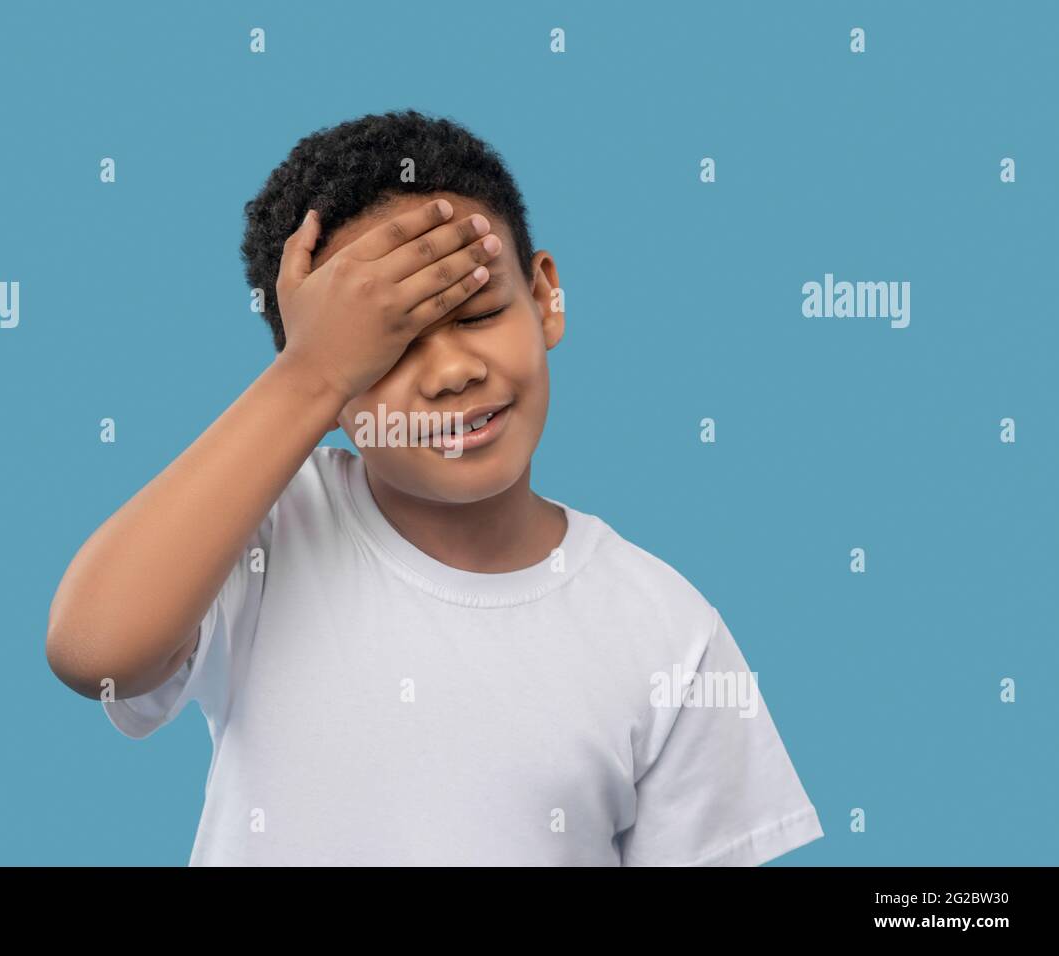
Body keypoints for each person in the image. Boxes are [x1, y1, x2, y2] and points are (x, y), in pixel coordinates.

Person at [46, 109, 824, 866]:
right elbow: (95, 653)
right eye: (383, 348)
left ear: (545, 294)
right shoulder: (263, 534)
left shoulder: (667, 631)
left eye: (480, 311)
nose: (453, 373)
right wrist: (310, 374)